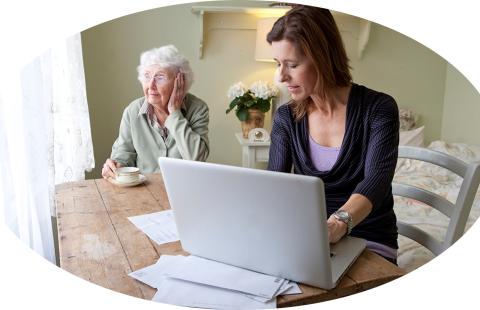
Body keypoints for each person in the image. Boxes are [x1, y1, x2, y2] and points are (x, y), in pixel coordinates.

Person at [266, 5, 399, 264]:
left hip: (368, 240)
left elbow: (376, 182)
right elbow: (276, 187)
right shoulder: (286, 117)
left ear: (322, 57)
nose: (282, 76)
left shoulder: (379, 109)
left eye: (292, 64)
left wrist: (338, 223)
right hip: (310, 241)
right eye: (278, 64)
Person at [102, 45, 209, 178]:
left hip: (184, 190)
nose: (151, 85)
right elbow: (124, 153)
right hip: (144, 191)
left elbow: (197, 160)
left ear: (180, 82)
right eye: (147, 76)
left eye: (160, 77)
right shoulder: (132, 111)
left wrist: (174, 114)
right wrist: (116, 165)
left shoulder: (198, 109)